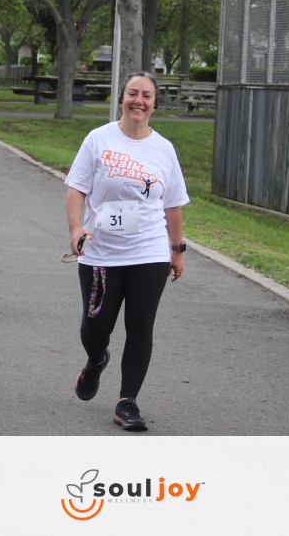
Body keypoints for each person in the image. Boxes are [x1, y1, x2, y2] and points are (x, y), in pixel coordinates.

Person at [64, 71, 189, 432]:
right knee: (95, 326)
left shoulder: (163, 149)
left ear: (154, 104)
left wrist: (176, 249)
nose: (139, 101)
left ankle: (127, 402)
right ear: (121, 98)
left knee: (140, 326)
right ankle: (95, 359)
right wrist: (76, 229)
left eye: (146, 95)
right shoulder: (98, 139)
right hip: (101, 252)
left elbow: (172, 204)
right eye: (133, 93)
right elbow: (76, 188)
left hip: (149, 251)